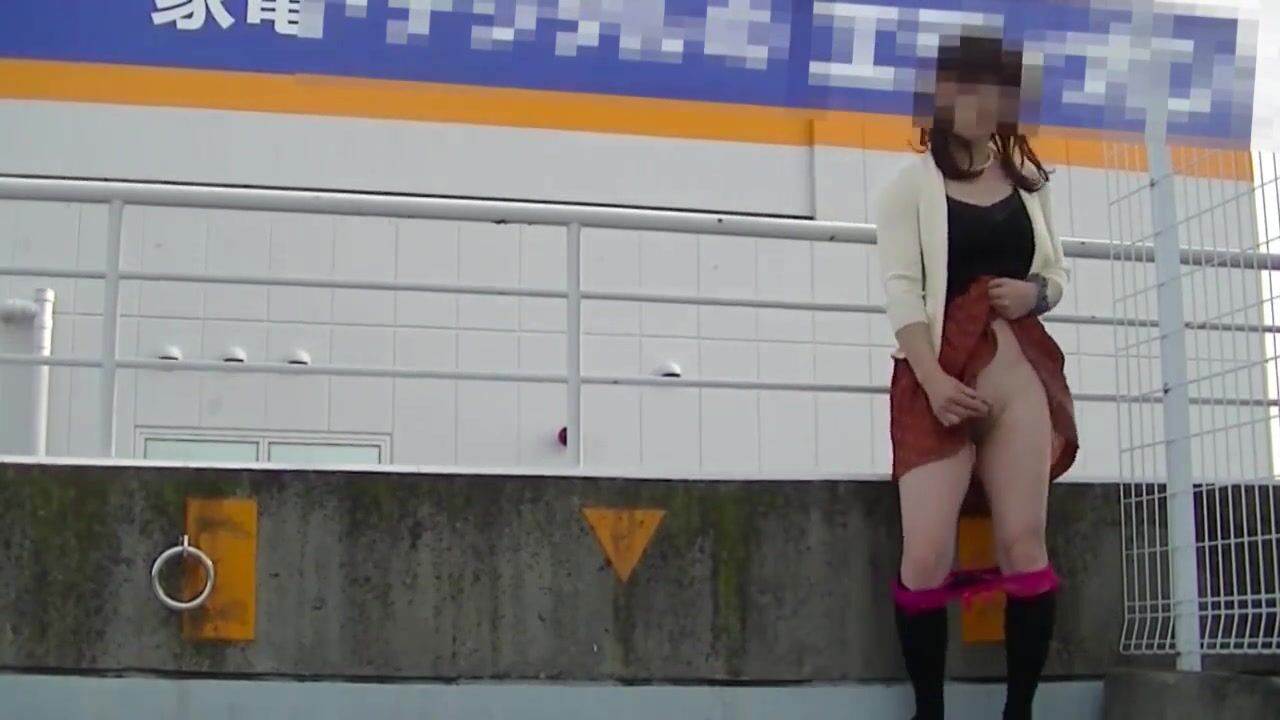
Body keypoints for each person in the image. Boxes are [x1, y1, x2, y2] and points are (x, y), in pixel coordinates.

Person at [872, 33, 1079, 720]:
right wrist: (932, 382)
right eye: (963, 87)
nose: (979, 101)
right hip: (939, 382)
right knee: (925, 556)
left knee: (1024, 544)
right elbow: (902, 293)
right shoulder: (907, 187)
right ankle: (929, 712)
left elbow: (1055, 273)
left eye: (993, 88)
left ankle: (1019, 712)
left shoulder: (1030, 183)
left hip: (1017, 379)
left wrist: (1035, 294)